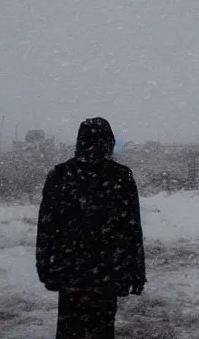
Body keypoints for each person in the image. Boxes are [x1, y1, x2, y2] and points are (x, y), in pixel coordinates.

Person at [36, 117, 146, 339]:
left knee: (69, 328)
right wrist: (136, 272)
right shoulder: (120, 176)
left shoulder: (60, 175)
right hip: (108, 269)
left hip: (70, 270)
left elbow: (47, 226)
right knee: (103, 329)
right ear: (109, 142)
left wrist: (45, 265)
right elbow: (132, 228)